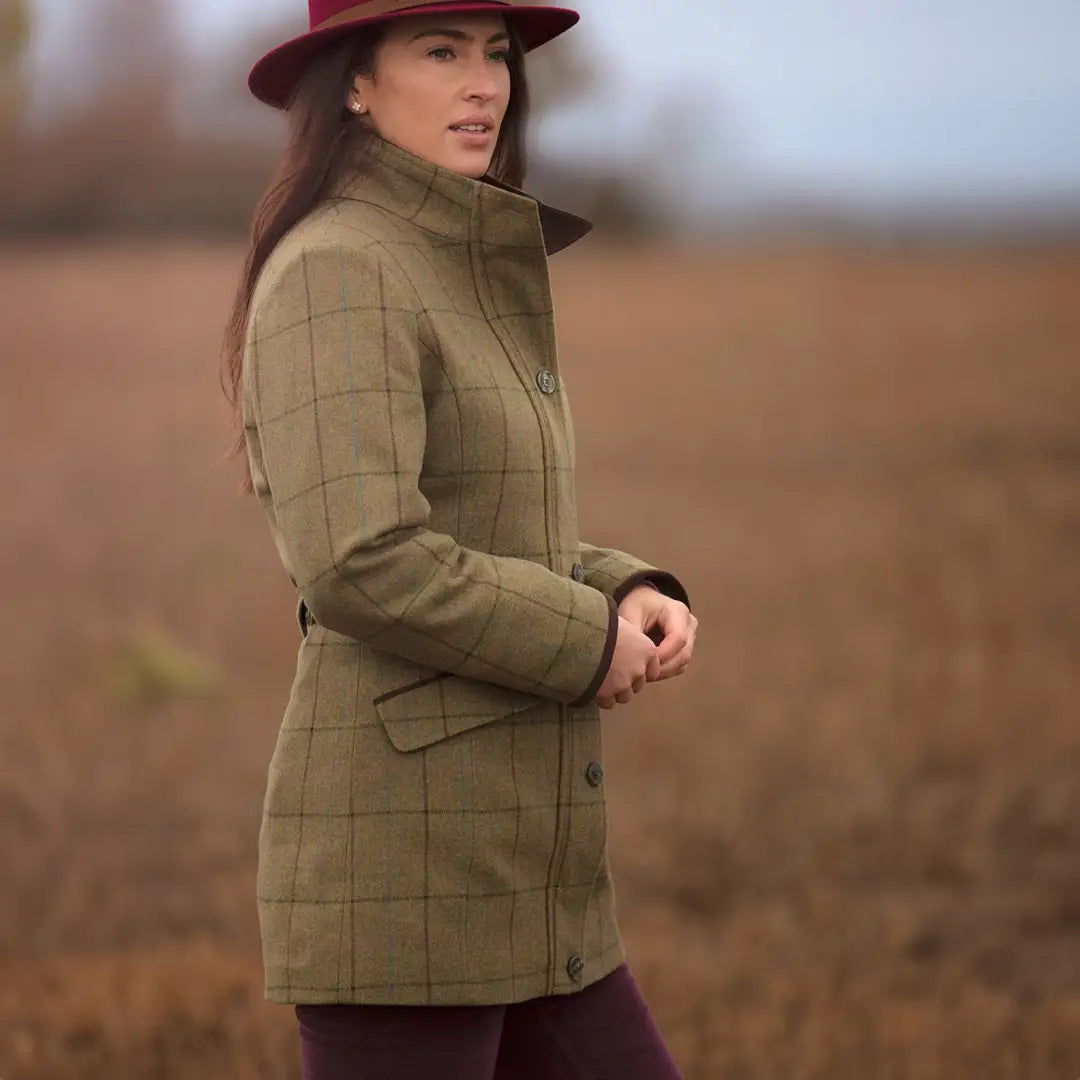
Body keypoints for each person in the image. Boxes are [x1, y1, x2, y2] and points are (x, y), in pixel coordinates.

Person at [220, 1, 698, 1076]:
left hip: (529, 876)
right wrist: (585, 640)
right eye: (442, 52)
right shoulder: (340, 267)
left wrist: (622, 590)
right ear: (352, 82)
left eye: (495, 55)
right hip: (404, 881)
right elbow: (361, 557)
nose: (485, 83)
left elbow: (487, 523)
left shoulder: (456, 260)